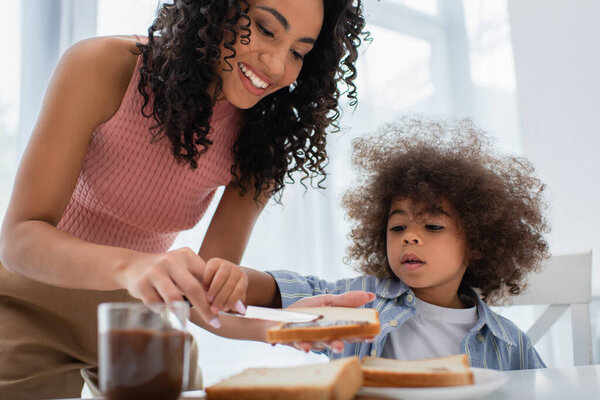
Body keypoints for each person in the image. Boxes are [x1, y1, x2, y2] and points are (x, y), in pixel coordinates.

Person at [0, 0, 367, 398]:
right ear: (217, 10)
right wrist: (133, 267)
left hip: (148, 320)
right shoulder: (103, 65)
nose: (277, 66)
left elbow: (205, 300)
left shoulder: (263, 140)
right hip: (32, 306)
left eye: (298, 52)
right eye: (264, 29)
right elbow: (19, 239)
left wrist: (280, 325)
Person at [207, 116, 550, 370]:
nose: (409, 236)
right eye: (397, 226)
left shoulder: (511, 344)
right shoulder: (360, 302)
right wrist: (230, 277)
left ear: (477, 242)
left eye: (432, 225)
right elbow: (281, 291)